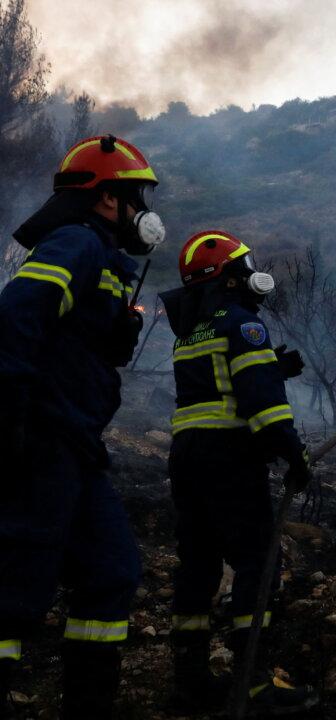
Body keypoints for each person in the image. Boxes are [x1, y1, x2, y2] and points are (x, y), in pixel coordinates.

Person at [0, 135, 165, 718]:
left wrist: (112, 336)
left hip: (77, 444)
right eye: (136, 195)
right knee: (15, 592)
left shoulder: (102, 256)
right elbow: (17, 318)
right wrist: (12, 415)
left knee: (110, 571)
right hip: (43, 436)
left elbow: (71, 338)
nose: (144, 209)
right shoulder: (75, 242)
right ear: (104, 200)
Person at [159, 230, 316, 715]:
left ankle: (189, 682)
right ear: (229, 278)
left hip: (188, 457)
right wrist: (292, 453)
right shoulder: (245, 324)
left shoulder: (192, 329)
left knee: (198, 564)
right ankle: (255, 684)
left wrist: (273, 366)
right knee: (256, 560)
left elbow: (218, 382)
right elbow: (260, 403)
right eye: (244, 268)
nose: (253, 276)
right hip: (230, 456)